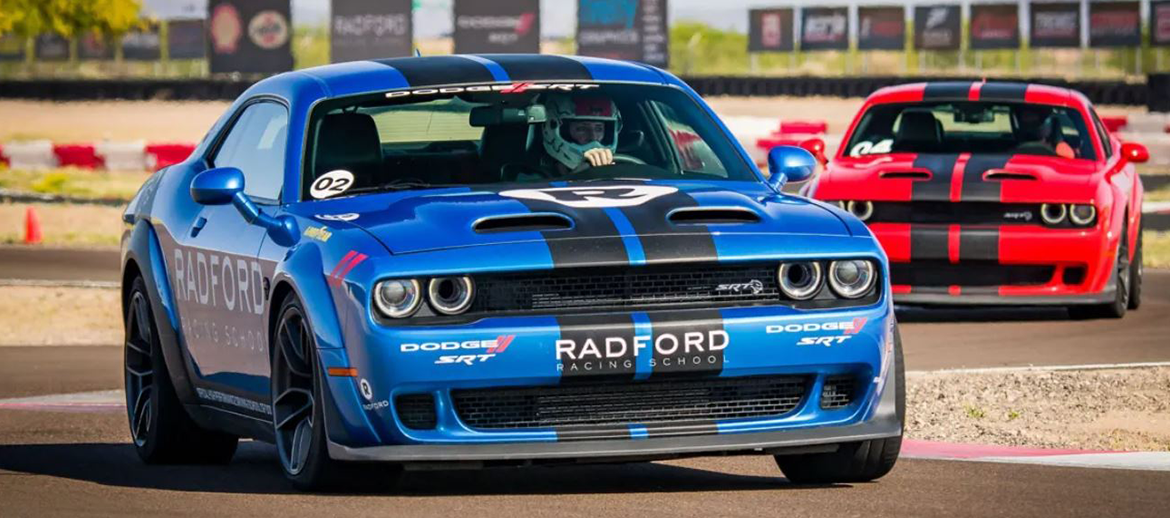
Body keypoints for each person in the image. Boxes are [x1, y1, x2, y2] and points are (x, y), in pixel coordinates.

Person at [540, 94, 622, 175]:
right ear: (551, 128)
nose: (593, 138)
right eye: (582, 129)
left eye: (598, 129)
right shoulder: (534, 182)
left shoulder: (622, 174)